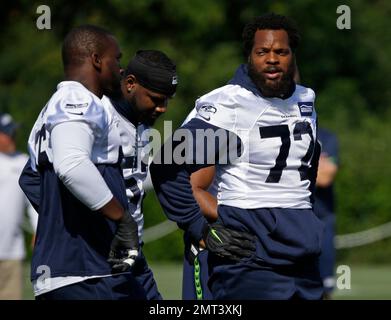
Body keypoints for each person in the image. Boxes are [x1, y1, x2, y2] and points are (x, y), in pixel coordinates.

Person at [150, 13, 324, 299]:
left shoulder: (305, 99)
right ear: (249, 56)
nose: (272, 59)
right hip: (250, 258)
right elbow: (166, 163)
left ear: (293, 55)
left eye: (281, 51)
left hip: (303, 255)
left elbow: (306, 169)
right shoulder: (229, 104)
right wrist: (198, 228)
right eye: (262, 52)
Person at [18, 25, 145, 300]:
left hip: (74, 271)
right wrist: (120, 218)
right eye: (117, 59)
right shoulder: (76, 99)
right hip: (86, 274)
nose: (121, 68)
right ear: (97, 60)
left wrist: (69, 216)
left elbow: (29, 179)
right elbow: (72, 165)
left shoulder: (51, 108)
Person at [102, 49, 178, 299]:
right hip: (101, 256)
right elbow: (36, 178)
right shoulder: (98, 116)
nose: (162, 108)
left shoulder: (141, 123)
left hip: (134, 254)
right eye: (156, 99)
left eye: (167, 100)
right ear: (131, 83)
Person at [0, 113, 38, 300]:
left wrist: (38, 229)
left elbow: (34, 201)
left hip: (12, 251)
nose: (12, 137)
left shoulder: (24, 162)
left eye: (13, 132)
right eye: (7, 133)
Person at [313, 128, 339, 299]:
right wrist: (316, 165)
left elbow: (325, 178)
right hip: (292, 219)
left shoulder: (327, 137)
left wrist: (291, 171)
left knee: (325, 288)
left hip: (322, 218)